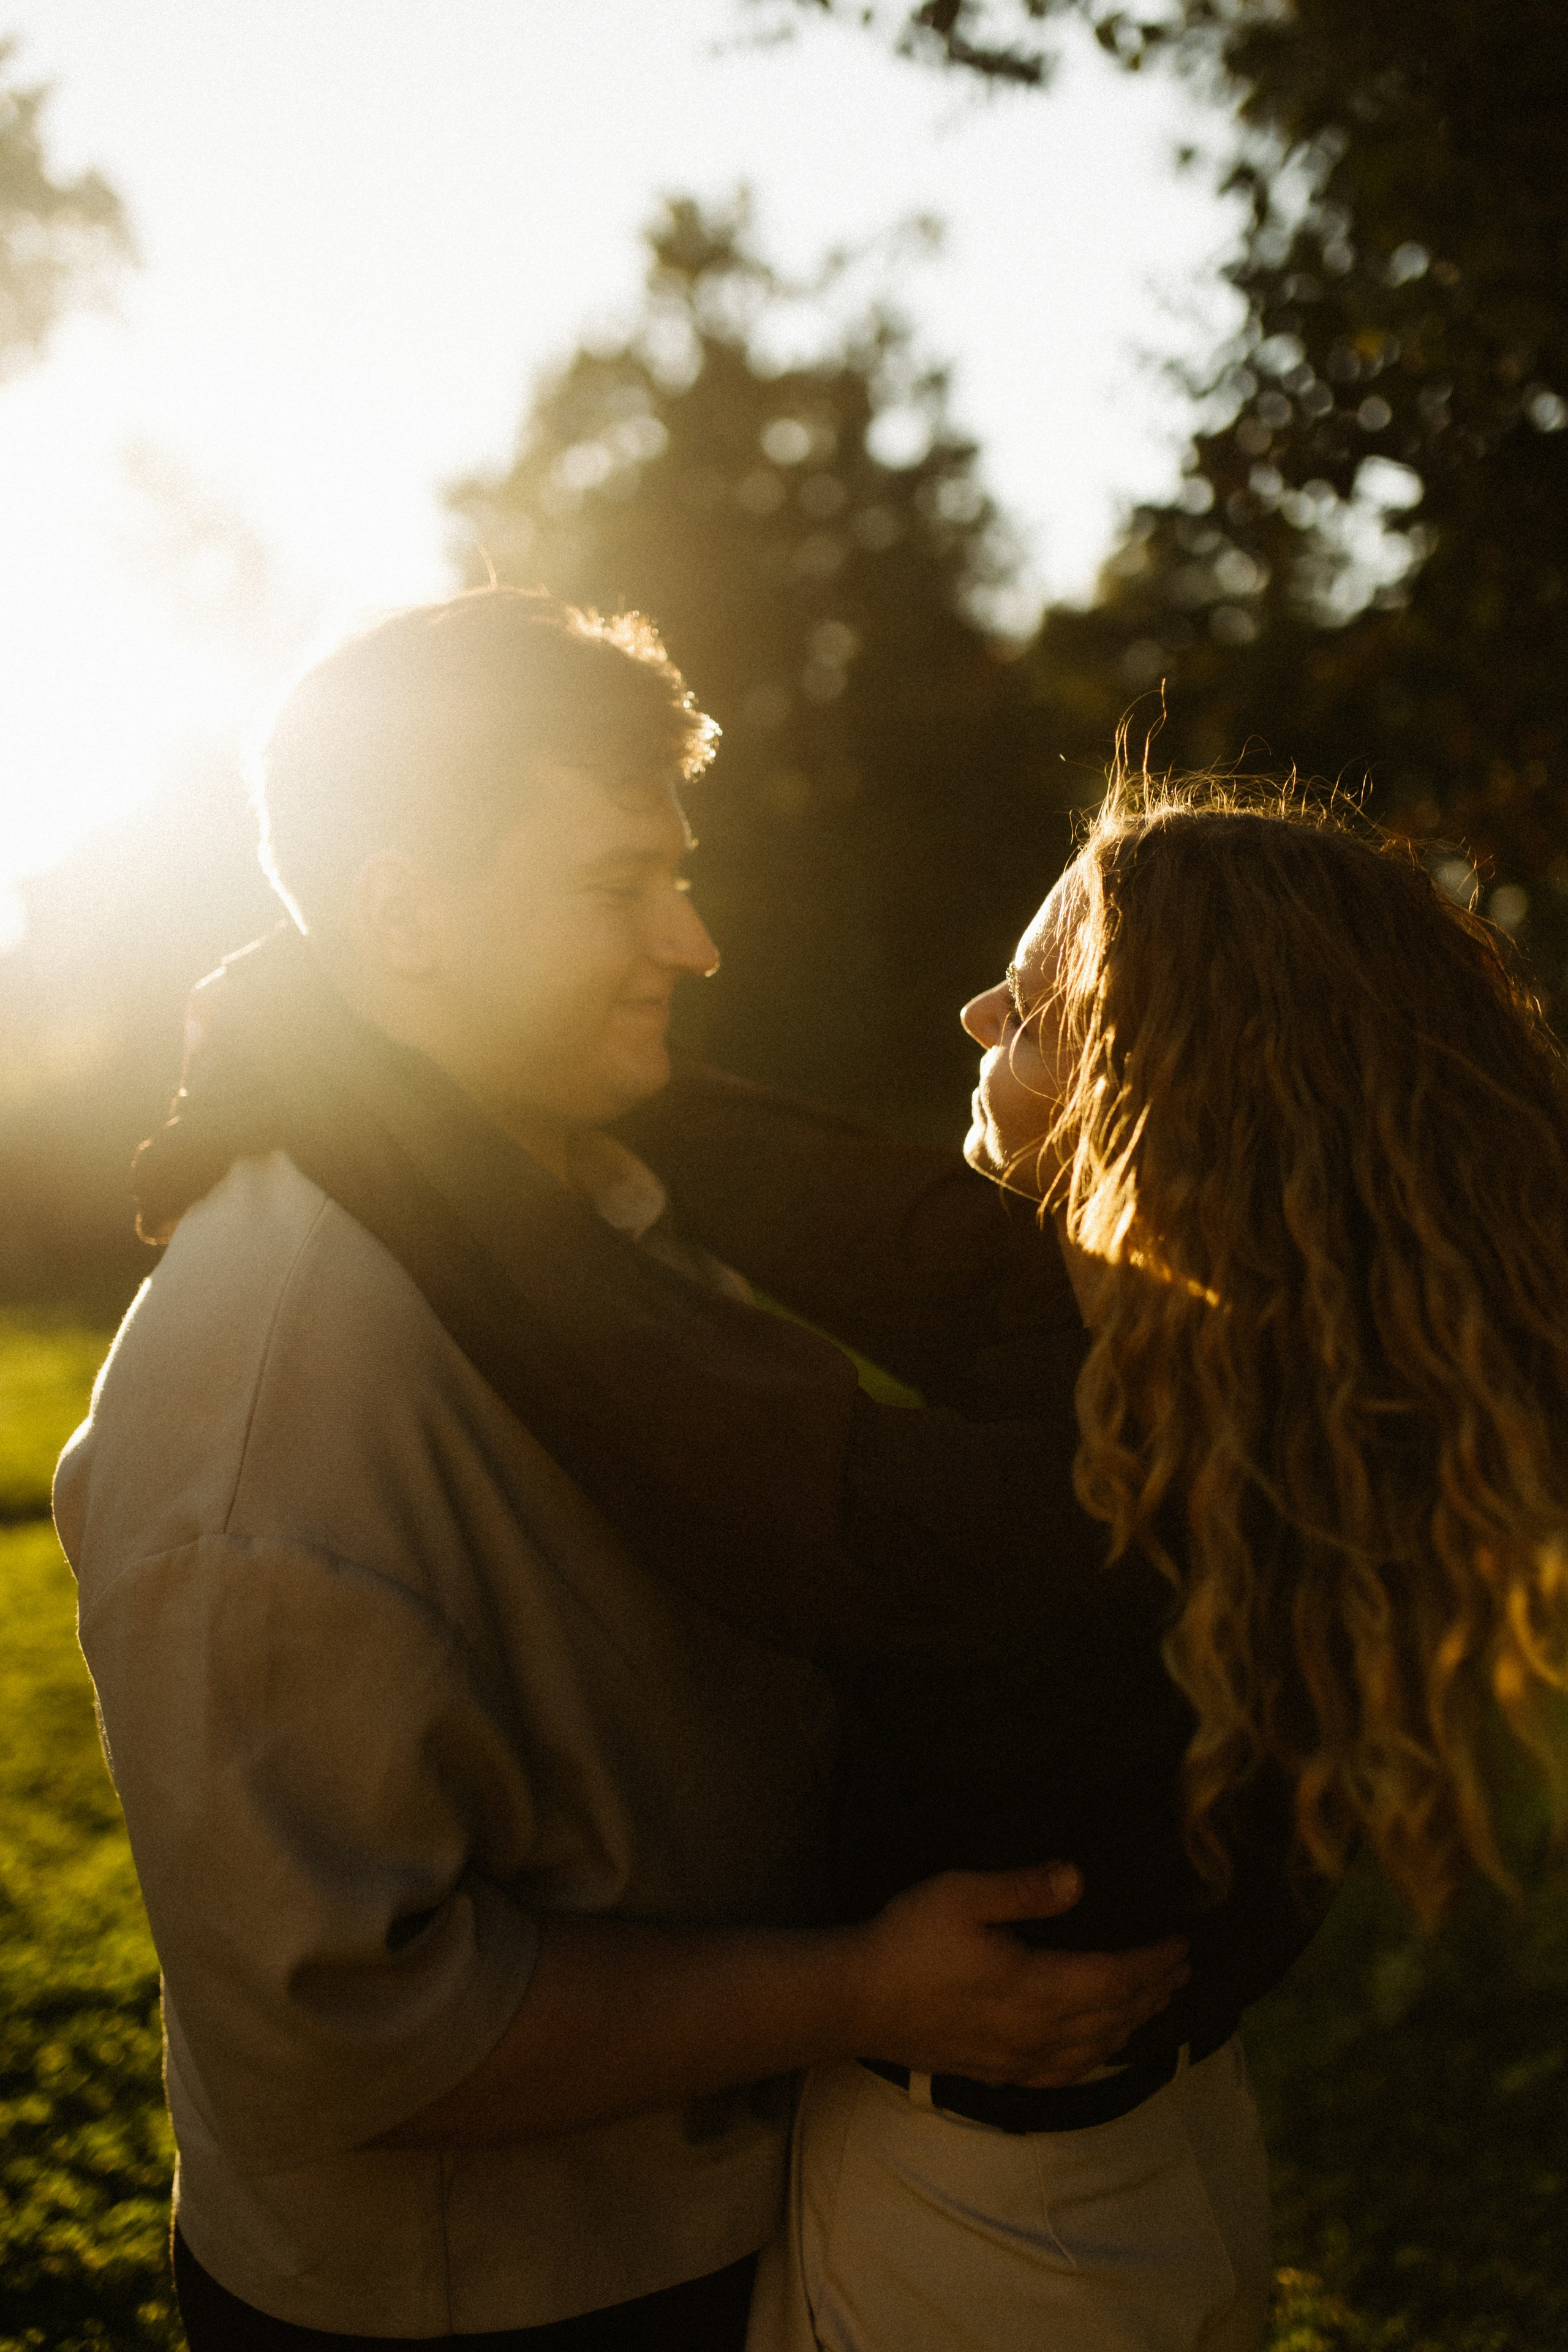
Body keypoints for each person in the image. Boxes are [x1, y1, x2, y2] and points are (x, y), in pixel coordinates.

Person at [229, 775, 1568, 2350]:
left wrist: (335, 1064)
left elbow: (636, 1375)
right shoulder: (1286, 1375)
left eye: (1042, 1001)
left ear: (1170, 1086)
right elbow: (910, 1246)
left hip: (995, 2231)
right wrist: (552, 1049)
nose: (976, 1004)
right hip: (1160, 2159)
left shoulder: (1078, 1504)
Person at [54, 589, 1188, 2351]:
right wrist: (856, 1990)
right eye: (616, 887)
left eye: (678, 870)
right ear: (402, 918)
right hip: (494, 2300)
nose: (696, 939)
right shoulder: (267, 1424)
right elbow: (348, 2029)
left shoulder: (576, 1211)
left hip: (700, 2227)